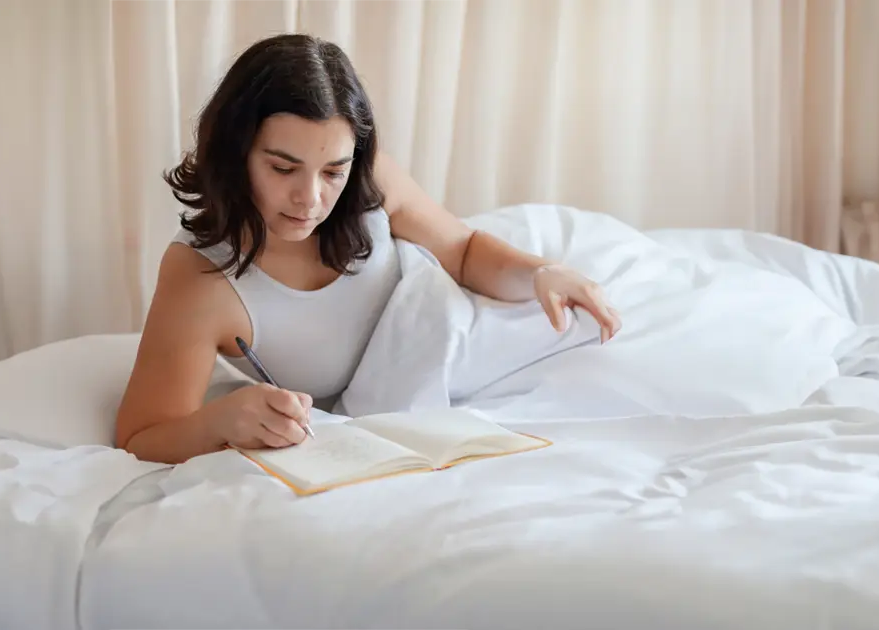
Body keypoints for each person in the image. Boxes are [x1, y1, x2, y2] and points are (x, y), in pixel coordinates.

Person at [114, 33, 621, 464]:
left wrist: (541, 272)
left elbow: (463, 252)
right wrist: (219, 421)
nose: (311, 199)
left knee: (613, 334)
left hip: (466, 327)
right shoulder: (201, 277)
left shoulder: (367, 181)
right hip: (403, 404)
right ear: (235, 154)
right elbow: (142, 436)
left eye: (333, 171)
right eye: (283, 168)